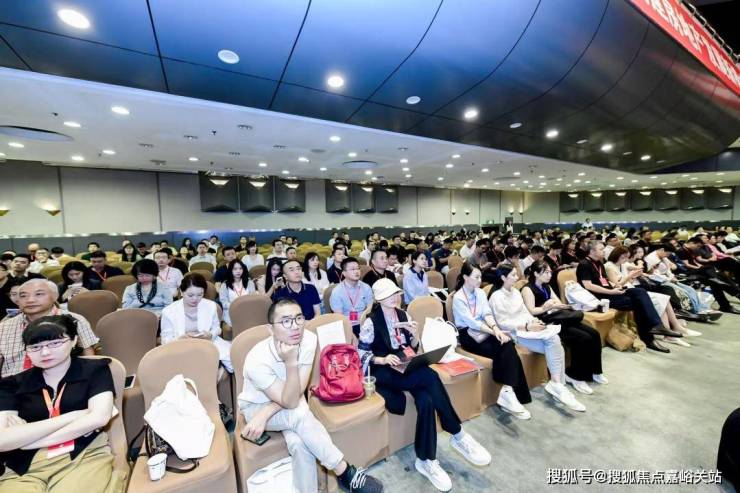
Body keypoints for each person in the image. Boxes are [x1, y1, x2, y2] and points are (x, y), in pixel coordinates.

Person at [237, 298, 383, 493]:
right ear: (270, 329)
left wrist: (268, 412)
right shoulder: (257, 360)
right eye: (286, 321)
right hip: (257, 407)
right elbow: (290, 402)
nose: (295, 326)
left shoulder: (308, 339)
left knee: (299, 443)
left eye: (299, 318)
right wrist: (290, 363)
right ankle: (344, 471)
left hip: (289, 401)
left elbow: (297, 392)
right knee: (299, 414)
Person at [358, 279, 490, 491]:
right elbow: (361, 354)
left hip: (406, 364)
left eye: (396, 293)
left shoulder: (403, 315)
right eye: (389, 295)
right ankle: (456, 432)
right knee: (429, 375)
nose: (395, 297)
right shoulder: (371, 322)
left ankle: (426, 460)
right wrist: (383, 359)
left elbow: (412, 347)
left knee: (426, 400)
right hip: (384, 370)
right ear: (379, 299)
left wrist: (415, 335)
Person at [0, 315, 120, 493]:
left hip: (83, 455)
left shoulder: (95, 370)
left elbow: (99, 418)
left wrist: (26, 440)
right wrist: (74, 416)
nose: (45, 353)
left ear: (74, 341)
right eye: (35, 347)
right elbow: (3, 440)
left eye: (55, 343)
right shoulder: (12, 384)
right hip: (24, 466)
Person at [490, 265, 586, 411]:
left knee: (554, 339)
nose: (517, 277)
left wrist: (534, 321)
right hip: (514, 332)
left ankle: (557, 384)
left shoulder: (515, 292)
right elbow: (503, 323)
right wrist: (527, 326)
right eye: (513, 275)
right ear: (503, 278)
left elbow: (525, 312)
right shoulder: (496, 297)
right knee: (553, 343)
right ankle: (558, 385)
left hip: (528, 328)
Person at [451, 264, 532, 419]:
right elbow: (472, 323)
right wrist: (494, 332)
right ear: (466, 277)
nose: (479, 280)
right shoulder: (458, 298)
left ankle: (507, 390)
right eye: (476, 277)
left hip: (485, 330)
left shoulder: (480, 292)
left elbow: (487, 313)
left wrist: (495, 329)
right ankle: (510, 393)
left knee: (507, 342)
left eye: (480, 276)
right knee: (502, 348)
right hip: (468, 335)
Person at [576, 241, 680, 353]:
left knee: (640, 291)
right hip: (600, 298)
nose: (604, 251)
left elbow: (605, 281)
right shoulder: (584, 264)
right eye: (601, 249)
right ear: (592, 251)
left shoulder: (599, 263)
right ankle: (650, 338)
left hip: (610, 292)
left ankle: (657, 326)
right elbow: (588, 285)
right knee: (639, 304)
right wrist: (611, 292)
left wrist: (616, 286)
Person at [521, 261, 607, 395]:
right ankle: (575, 375)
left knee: (594, 334)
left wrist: (558, 305)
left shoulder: (546, 286)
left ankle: (595, 371)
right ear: (536, 274)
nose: (550, 275)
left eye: (550, 272)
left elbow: (558, 303)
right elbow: (531, 310)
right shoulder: (528, 289)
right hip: (545, 323)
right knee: (583, 338)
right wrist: (546, 307)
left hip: (559, 318)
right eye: (546, 272)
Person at [0, 279, 98, 377]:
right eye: (23, 296)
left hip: (64, 380)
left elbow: (88, 354)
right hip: (12, 382)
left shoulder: (75, 320)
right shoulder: (4, 326)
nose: (30, 300)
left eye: (39, 294)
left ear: (54, 297)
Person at [605, 247, 696, 347]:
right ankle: (668, 332)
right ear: (618, 255)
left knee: (665, 298)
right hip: (625, 291)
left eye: (627, 257)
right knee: (658, 298)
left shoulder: (623, 264)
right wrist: (630, 276)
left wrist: (638, 266)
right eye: (625, 257)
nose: (627, 259)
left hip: (631, 289)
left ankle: (672, 328)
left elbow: (637, 269)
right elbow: (617, 286)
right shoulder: (609, 267)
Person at [160, 274, 232, 373]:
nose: (195, 299)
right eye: (190, 295)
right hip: (180, 347)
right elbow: (165, 340)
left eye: (200, 295)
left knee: (230, 358)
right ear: (181, 292)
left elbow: (217, 328)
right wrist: (179, 339)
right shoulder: (169, 311)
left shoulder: (210, 306)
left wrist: (210, 335)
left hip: (206, 344)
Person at [329, 258, 374, 337]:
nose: (356, 271)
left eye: (358, 268)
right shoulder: (337, 292)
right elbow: (339, 318)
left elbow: (370, 309)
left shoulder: (366, 287)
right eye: (352, 269)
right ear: (344, 273)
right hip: (347, 325)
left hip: (365, 323)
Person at [219, 259, 256, 326]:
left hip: (247, 310)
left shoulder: (249, 283)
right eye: (235, 269)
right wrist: (237, 306)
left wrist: (244, 307)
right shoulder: (224, 285)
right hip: (231, 311)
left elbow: (252, 299)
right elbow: (224, 302)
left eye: (240, 268)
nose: (238, 271)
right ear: (231, 270)